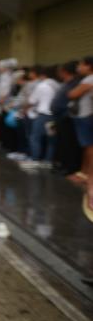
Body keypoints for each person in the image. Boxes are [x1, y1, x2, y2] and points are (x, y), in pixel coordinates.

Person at [68, 56, 93, 217]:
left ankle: (86, 175)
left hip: (85, 117)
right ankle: (85, 174)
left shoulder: (90, 79)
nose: (78, 67)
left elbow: (72, 94)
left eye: (81, 64)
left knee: (89, 147)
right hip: (85, 117)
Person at [21, 65, 58, 170]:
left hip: (43, 116)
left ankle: (35, 159)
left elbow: (32, 101)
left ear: (43, 75)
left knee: (35, 137)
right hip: (53, 116)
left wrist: (24, 109)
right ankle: (48, 161)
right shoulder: (56, 85)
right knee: (51, 140)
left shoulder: (42, 85)